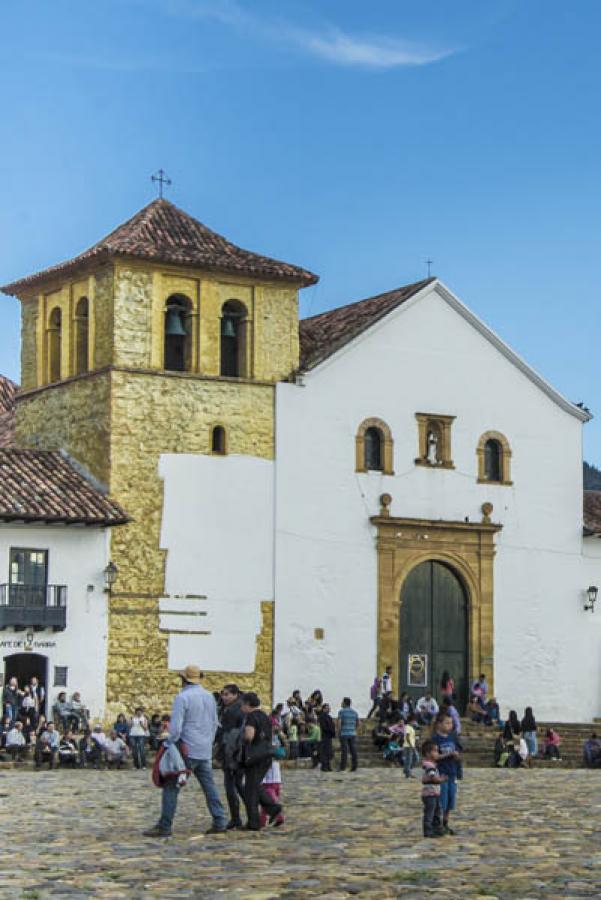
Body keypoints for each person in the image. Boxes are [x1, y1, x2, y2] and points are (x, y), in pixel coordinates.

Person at [143, 664, 226, 837]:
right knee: (209, 786)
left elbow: (176, 727)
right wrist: (208, 742)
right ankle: (219, 820)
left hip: (186, 749)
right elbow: (214, 723)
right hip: (204, 748)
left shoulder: (182, 697)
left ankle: (165, 825)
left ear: (183, 679)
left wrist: (169, 742)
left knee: (171, 786)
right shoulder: (209, 697)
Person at [239, 691, 282, 831]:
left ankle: (259, 818)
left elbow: (249, 736)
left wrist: (241, 742)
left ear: (247, 704)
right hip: (266, 755)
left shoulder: (251, 717)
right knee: (253, 786)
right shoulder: (265, 716)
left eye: (242, 704)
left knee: (251, 788)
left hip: (255, 756)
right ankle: (269, 810)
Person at [218, 683, 245, 831]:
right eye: (223, 694)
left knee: (231, 786)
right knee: (238, 785)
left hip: (232, 754)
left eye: (227, 694)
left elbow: (228, 735)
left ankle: (236, 818)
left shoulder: (232, 711)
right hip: (238, 753)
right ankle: (249, 814)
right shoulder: (238, 707)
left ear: (235, 695)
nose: (224, 697)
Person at [431, 712, 461, 835]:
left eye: (451, 723)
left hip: (452, 773)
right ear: (439, 724)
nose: (450, 725)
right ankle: (437, 824)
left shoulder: (452, 738)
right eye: (447, 723)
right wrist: (448, 754)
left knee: (450, 801)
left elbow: (458, 751)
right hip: (441, 774)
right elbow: (434, 757)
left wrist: (457, 756)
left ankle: (445, 823)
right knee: (441, 801)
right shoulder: (435, 740)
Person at [421, 739, 446, 838]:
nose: (437, 753)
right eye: (435, 751)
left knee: (437, 811)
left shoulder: (432, 764)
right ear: (428, 753)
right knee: (430, 813)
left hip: (434, 793)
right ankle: (428, 830)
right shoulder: (429, 765)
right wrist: (441, 779)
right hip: (429, 794)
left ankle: (437, 828)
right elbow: (433, 778)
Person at [337, 697, 359, 772]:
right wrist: (354, 729)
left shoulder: (341, 712)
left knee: (344, 751)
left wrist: (338, 731)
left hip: (344, 733)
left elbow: (339, 723)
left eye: (342, 702)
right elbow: (357, 723)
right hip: (352, 733)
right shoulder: (355, 712)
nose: (341, 703)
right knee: (353, 750)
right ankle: (354, 766)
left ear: (345, 703)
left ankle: (343, 767)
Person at [318, 703, 336, 771]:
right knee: (325, 752)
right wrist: (330, 731)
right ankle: (324, 766)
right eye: (327, 708)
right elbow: (324, 727)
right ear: (324, 709)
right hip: (325, 736)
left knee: (328, 752)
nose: (329, 709)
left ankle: (328, 766)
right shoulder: (322, 716)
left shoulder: (329, 717)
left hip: (329, 736)